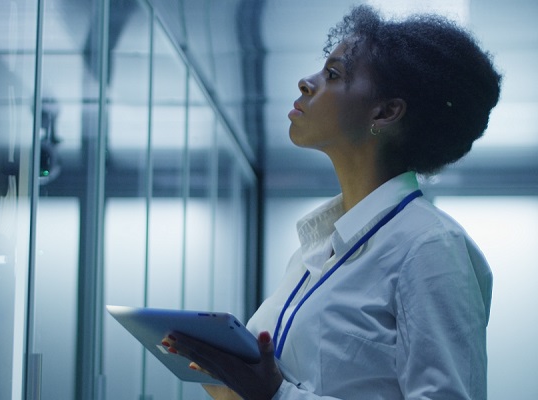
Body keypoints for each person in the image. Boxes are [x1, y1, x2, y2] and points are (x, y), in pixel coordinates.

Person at [162, 4, 501, 399]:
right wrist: (227, 379)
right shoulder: (315, 250)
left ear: (386, 111)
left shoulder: (431, 247)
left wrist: (277, 395)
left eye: (333, 74)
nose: (306, 83)